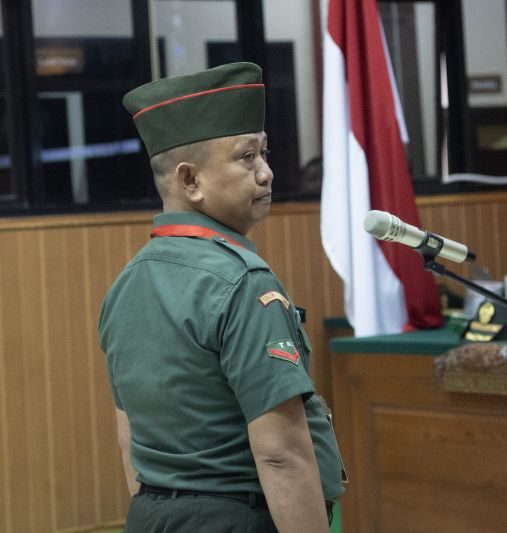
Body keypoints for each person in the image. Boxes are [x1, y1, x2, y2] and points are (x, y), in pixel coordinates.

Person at [99, 62, 344, 532]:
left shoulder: (126, 283)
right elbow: (281, 455)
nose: (267, 173)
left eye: (264, 153)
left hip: (151, 515)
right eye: (246, 157)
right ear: (190, 181)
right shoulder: (245, 283)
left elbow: (130, 438)